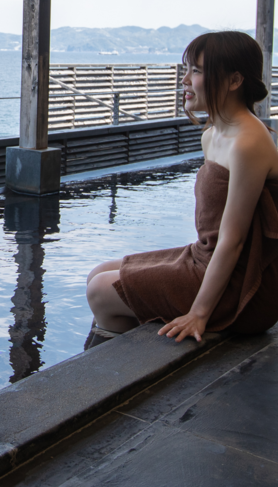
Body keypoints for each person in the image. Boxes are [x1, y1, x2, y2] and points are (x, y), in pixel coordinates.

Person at [85, 31, 278, 348]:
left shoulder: (248, 143)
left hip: (244, 288)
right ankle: (117, 360)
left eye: (198, 71)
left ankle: (104, 379)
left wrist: (199, 313)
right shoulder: (213, 133)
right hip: (205, 256)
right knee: (99, 273)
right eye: (187, 68)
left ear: (234, 80)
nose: (185, 79)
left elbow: (233, 240)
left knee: (102, 291)